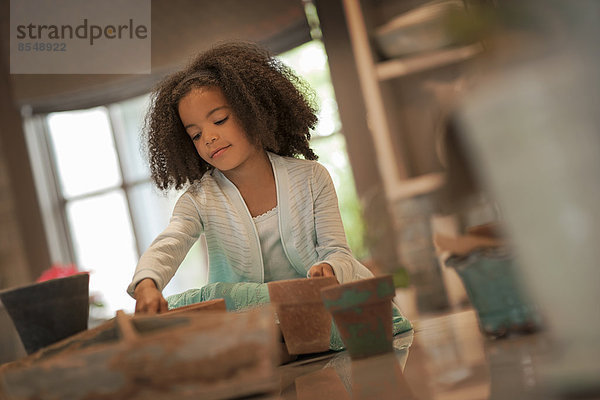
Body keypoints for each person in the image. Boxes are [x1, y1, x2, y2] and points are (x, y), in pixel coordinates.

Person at [127, 41, 373, 314]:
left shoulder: (312, 178)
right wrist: (147, 283)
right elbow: (169, 244)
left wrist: (330, 268)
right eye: (195, 134)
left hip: (319, 309)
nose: (209, 137)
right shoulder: (199, 200)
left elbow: (337, 251)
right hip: (250, 322)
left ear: (254, 111)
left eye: (219, 120)